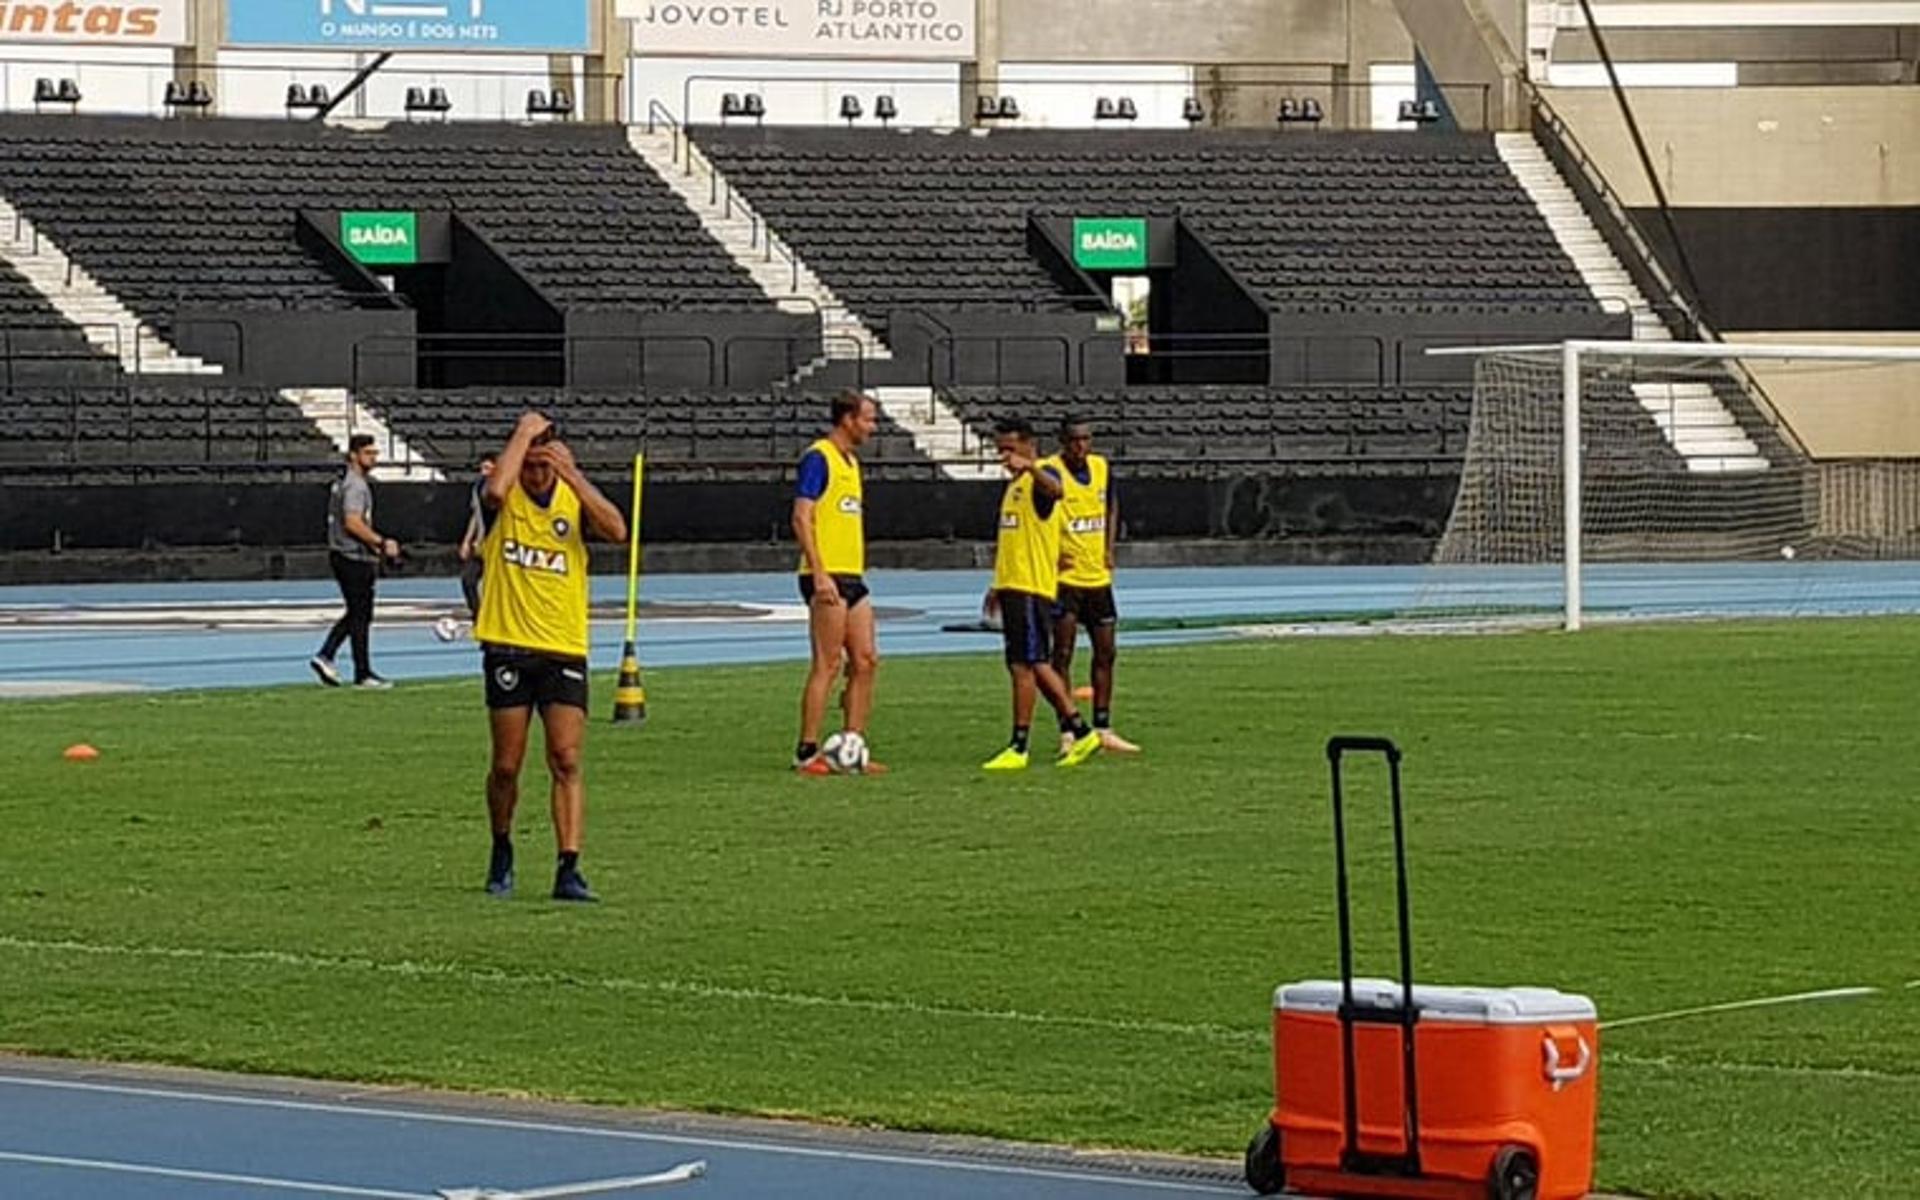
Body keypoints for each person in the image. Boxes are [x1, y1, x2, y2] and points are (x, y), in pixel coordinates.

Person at [473, 413, 628, 902]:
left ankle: (569, 866)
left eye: (546, 463)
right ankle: (502, 847)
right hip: (509, 645)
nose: (538, 474)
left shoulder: (570, 498)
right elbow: (495, 493)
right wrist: (521, 434)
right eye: (531, 464)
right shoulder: (500, 494)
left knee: (565, 757)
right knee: (506, 765)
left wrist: (575, 477)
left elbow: (617, 530)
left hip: (563, 645)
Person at [982, 417, 1102, 772]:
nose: (1004, 456)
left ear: (1028, 446)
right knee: (1026, 664)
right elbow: (1015, 542)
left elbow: (1056, 491)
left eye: (1010, 449)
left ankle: (1034, 742)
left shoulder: (1038, 479)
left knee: (1030, 664)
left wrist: (1031, 467)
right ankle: (1070, 731)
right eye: (999, 449)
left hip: (1031, 589)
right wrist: (997, 584)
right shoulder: (1014, 487)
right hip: (1015, 587)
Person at [791, 390, 883, 776]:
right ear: (847, 419)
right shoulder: (819, 458)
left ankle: (853, 744)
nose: (872, 427)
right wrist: (820, 571)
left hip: (852, 575)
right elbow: (801, 517)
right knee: (828, 664)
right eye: (868, 419)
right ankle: (806, 751)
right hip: (825, 576)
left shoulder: (851, 463)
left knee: (866, 660)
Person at [1045, 418, 1140, 756]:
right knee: (1063, 654)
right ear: (1062, 441)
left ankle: (1103, 727)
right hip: (1065, 581)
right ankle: (1069, 730)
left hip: (1097, 577)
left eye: (1086, 440)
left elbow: (1110, 506)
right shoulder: (1049, 471)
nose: (1081, 446)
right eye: (1074, 441)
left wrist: (1109, 548)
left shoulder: (1101, 467)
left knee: (1106, 652)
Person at [311, 433, 400, 689]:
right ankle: (356, 669)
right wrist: (381, 542)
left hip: (348, 554)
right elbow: (353, 523)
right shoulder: (355, 485)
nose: (374, 458)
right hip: (352, 556)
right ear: (354, 454)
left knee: (358, 613)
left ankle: (332, 657)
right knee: (360, 614)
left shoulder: (346, 483)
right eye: (368, 453)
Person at [457, 453, 497, 620]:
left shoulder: (504, 490)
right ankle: (478, 614)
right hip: (480, 543)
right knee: (468, 579)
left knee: (496, 585)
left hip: (498, 545)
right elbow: (476, 515)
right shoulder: (478, 487)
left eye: (488, 468)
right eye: (482, 468)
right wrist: (467, 541)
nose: (484, 472)